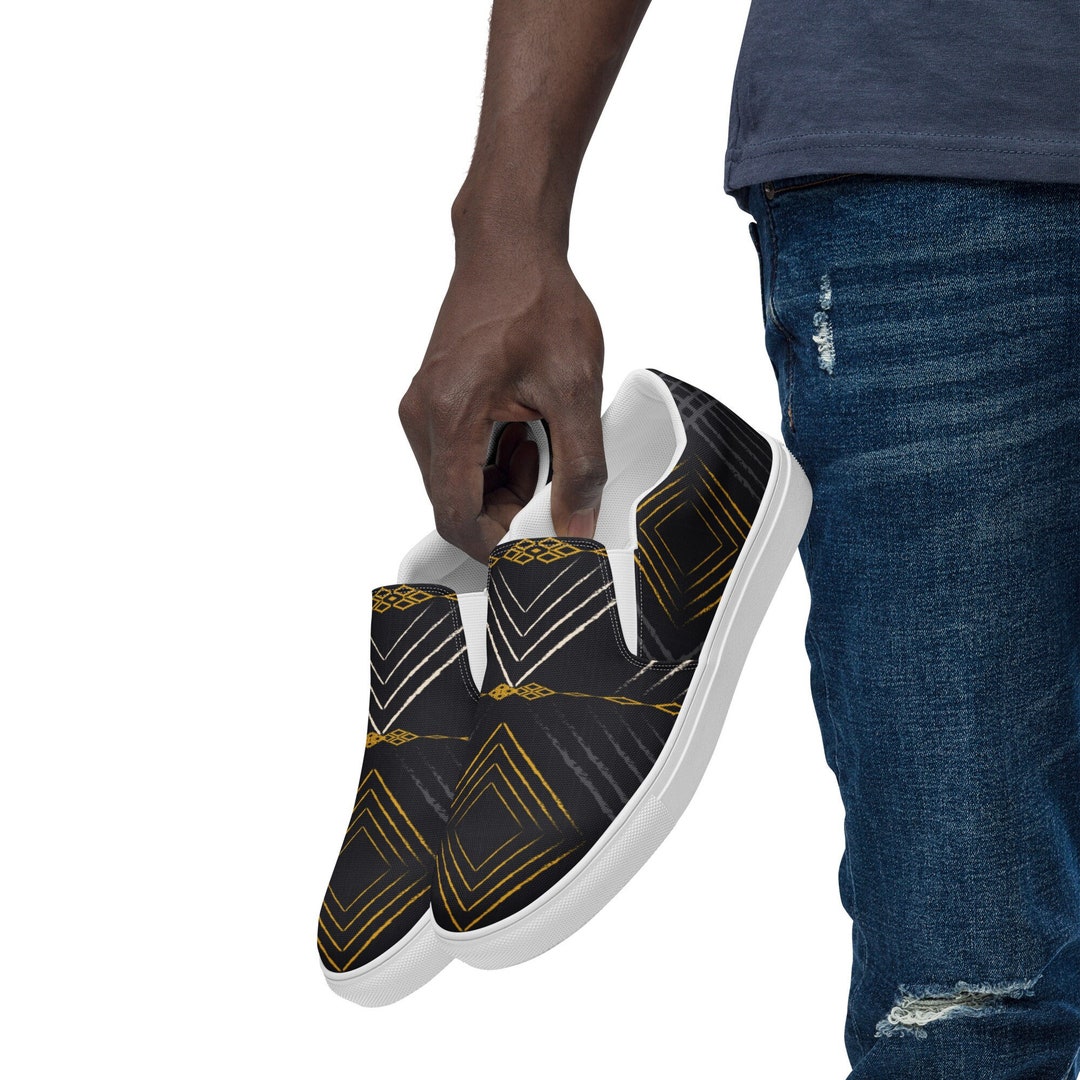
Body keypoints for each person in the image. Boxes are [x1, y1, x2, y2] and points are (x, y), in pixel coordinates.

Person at [397, 2, 1080, 1075]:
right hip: (936, 145)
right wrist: (505, 226)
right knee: (962, 991)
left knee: (967, 988)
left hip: (935, 167)